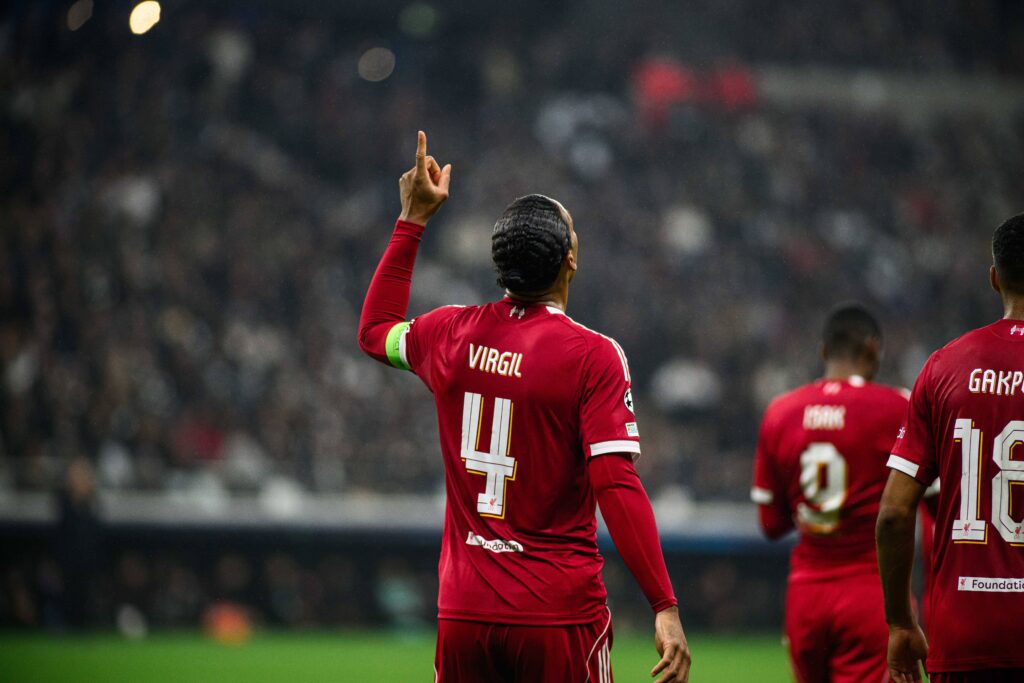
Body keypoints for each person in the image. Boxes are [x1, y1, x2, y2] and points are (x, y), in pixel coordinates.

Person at [357, 131, 690, 683]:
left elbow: (374, 330)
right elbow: (615, 483)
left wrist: (411, 221)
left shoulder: (448, 333)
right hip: (556, 615)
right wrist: (664, 604)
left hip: (463, 611)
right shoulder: (593, 356)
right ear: (570, 260)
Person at [877, 214, 1024, 683]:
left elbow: (893, 514)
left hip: (964, 632)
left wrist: (900, 623)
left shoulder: (945, 367)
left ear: (994, 278)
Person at [751, 305, 909, 683]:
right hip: (869, 589)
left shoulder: (781, 411)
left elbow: (771, 524)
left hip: (806, 593)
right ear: (873, 348)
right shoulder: (897, 407)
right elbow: (928, 505)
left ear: (824, 351)